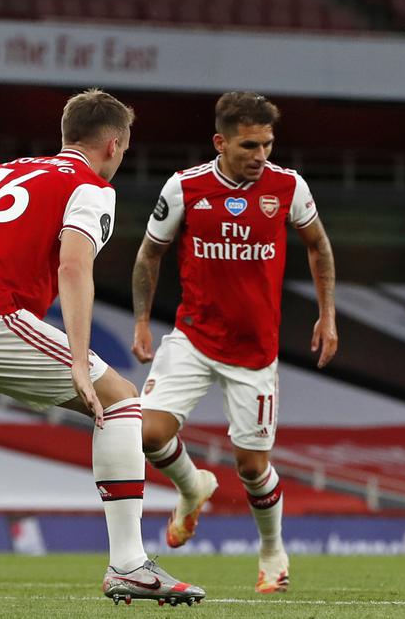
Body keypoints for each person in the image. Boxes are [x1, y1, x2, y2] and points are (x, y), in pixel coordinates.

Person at [0, 90, 203, 605]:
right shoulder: (91, 186)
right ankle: (129, 565)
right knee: (120, 399)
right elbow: (73, 266)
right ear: (114, 144)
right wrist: (78, 357)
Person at [131, 92, 337, 594]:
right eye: (249, 145)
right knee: (146, 434)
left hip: (254, 353)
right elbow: (148, 256)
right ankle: (191, 485)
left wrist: (327, 315)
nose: (261, 155)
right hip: (194, 338)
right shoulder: (185, 188)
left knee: (251, 467)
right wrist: (141, 320)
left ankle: (271, 552)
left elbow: (318, 246)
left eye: (267, 144)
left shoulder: (288, 187)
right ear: (220, 142)